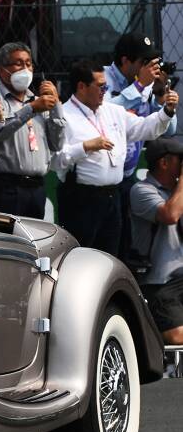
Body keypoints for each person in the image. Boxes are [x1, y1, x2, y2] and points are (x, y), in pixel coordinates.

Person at [55, 59, 177, 256]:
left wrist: (166, 112)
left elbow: (145, 128)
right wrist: (85, 147)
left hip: (113, 197)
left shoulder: (113, 111)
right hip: (81, 199)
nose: (105, 90)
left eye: (106, 86)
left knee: (110, 256)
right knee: (79, 257)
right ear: (81, 86)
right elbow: (55, 159)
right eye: (100, 86)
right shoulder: (64, 115)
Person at [0, 42, 67, 218]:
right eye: (19, 63)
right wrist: (30, 109)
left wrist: (55, 105)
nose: (26, 69)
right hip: (6, 188)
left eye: (29, 63)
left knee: (34, 242)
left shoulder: (39, 101)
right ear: (2, 70)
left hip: (37, 187)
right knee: (7, 242)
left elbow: (57, 144)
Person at [105, 33, 178, 260]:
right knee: (108, 246)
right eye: (143, 63)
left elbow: (169, 129)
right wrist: (138, 86)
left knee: (129, 243)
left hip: (128, 176)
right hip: (106, 181)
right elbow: (105, 112)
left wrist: (159, 95)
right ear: (126, 61)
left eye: (151, 63)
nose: (148, 68)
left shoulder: (146, 83)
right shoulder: (103, 79)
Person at [128, 138, 183, 344]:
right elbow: (170, 215)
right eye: (180, 160)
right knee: (176, 336)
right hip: (160, 281)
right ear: (164, 163)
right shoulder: (142, 191)